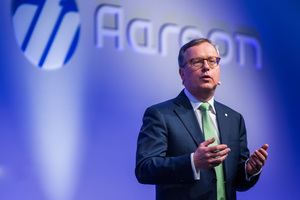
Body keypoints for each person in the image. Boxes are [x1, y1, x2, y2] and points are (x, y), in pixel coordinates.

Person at [135, 38, 269, 200]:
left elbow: (238, 182)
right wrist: (193, 163)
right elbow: (145, 169)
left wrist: (249, 170)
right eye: (197, 62)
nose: (206, 67)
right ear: (182, 73)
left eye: (212, 61)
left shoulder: (234, 119)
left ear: (219, 70)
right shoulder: (161, 114)